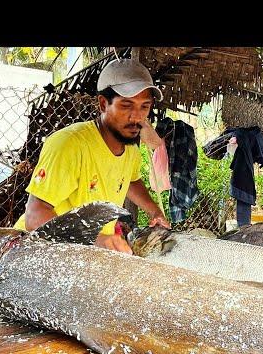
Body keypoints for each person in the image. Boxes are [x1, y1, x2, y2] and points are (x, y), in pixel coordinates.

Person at [13, 59, 171, 253]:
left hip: (84, 254)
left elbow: (130, 180)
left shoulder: (130, 149)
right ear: (103, 104)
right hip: (36, 252)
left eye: (144, 106)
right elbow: (34, 218)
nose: (136, 117)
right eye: (126, 105)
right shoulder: (69, 145)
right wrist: (98, 240)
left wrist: (155, 211)